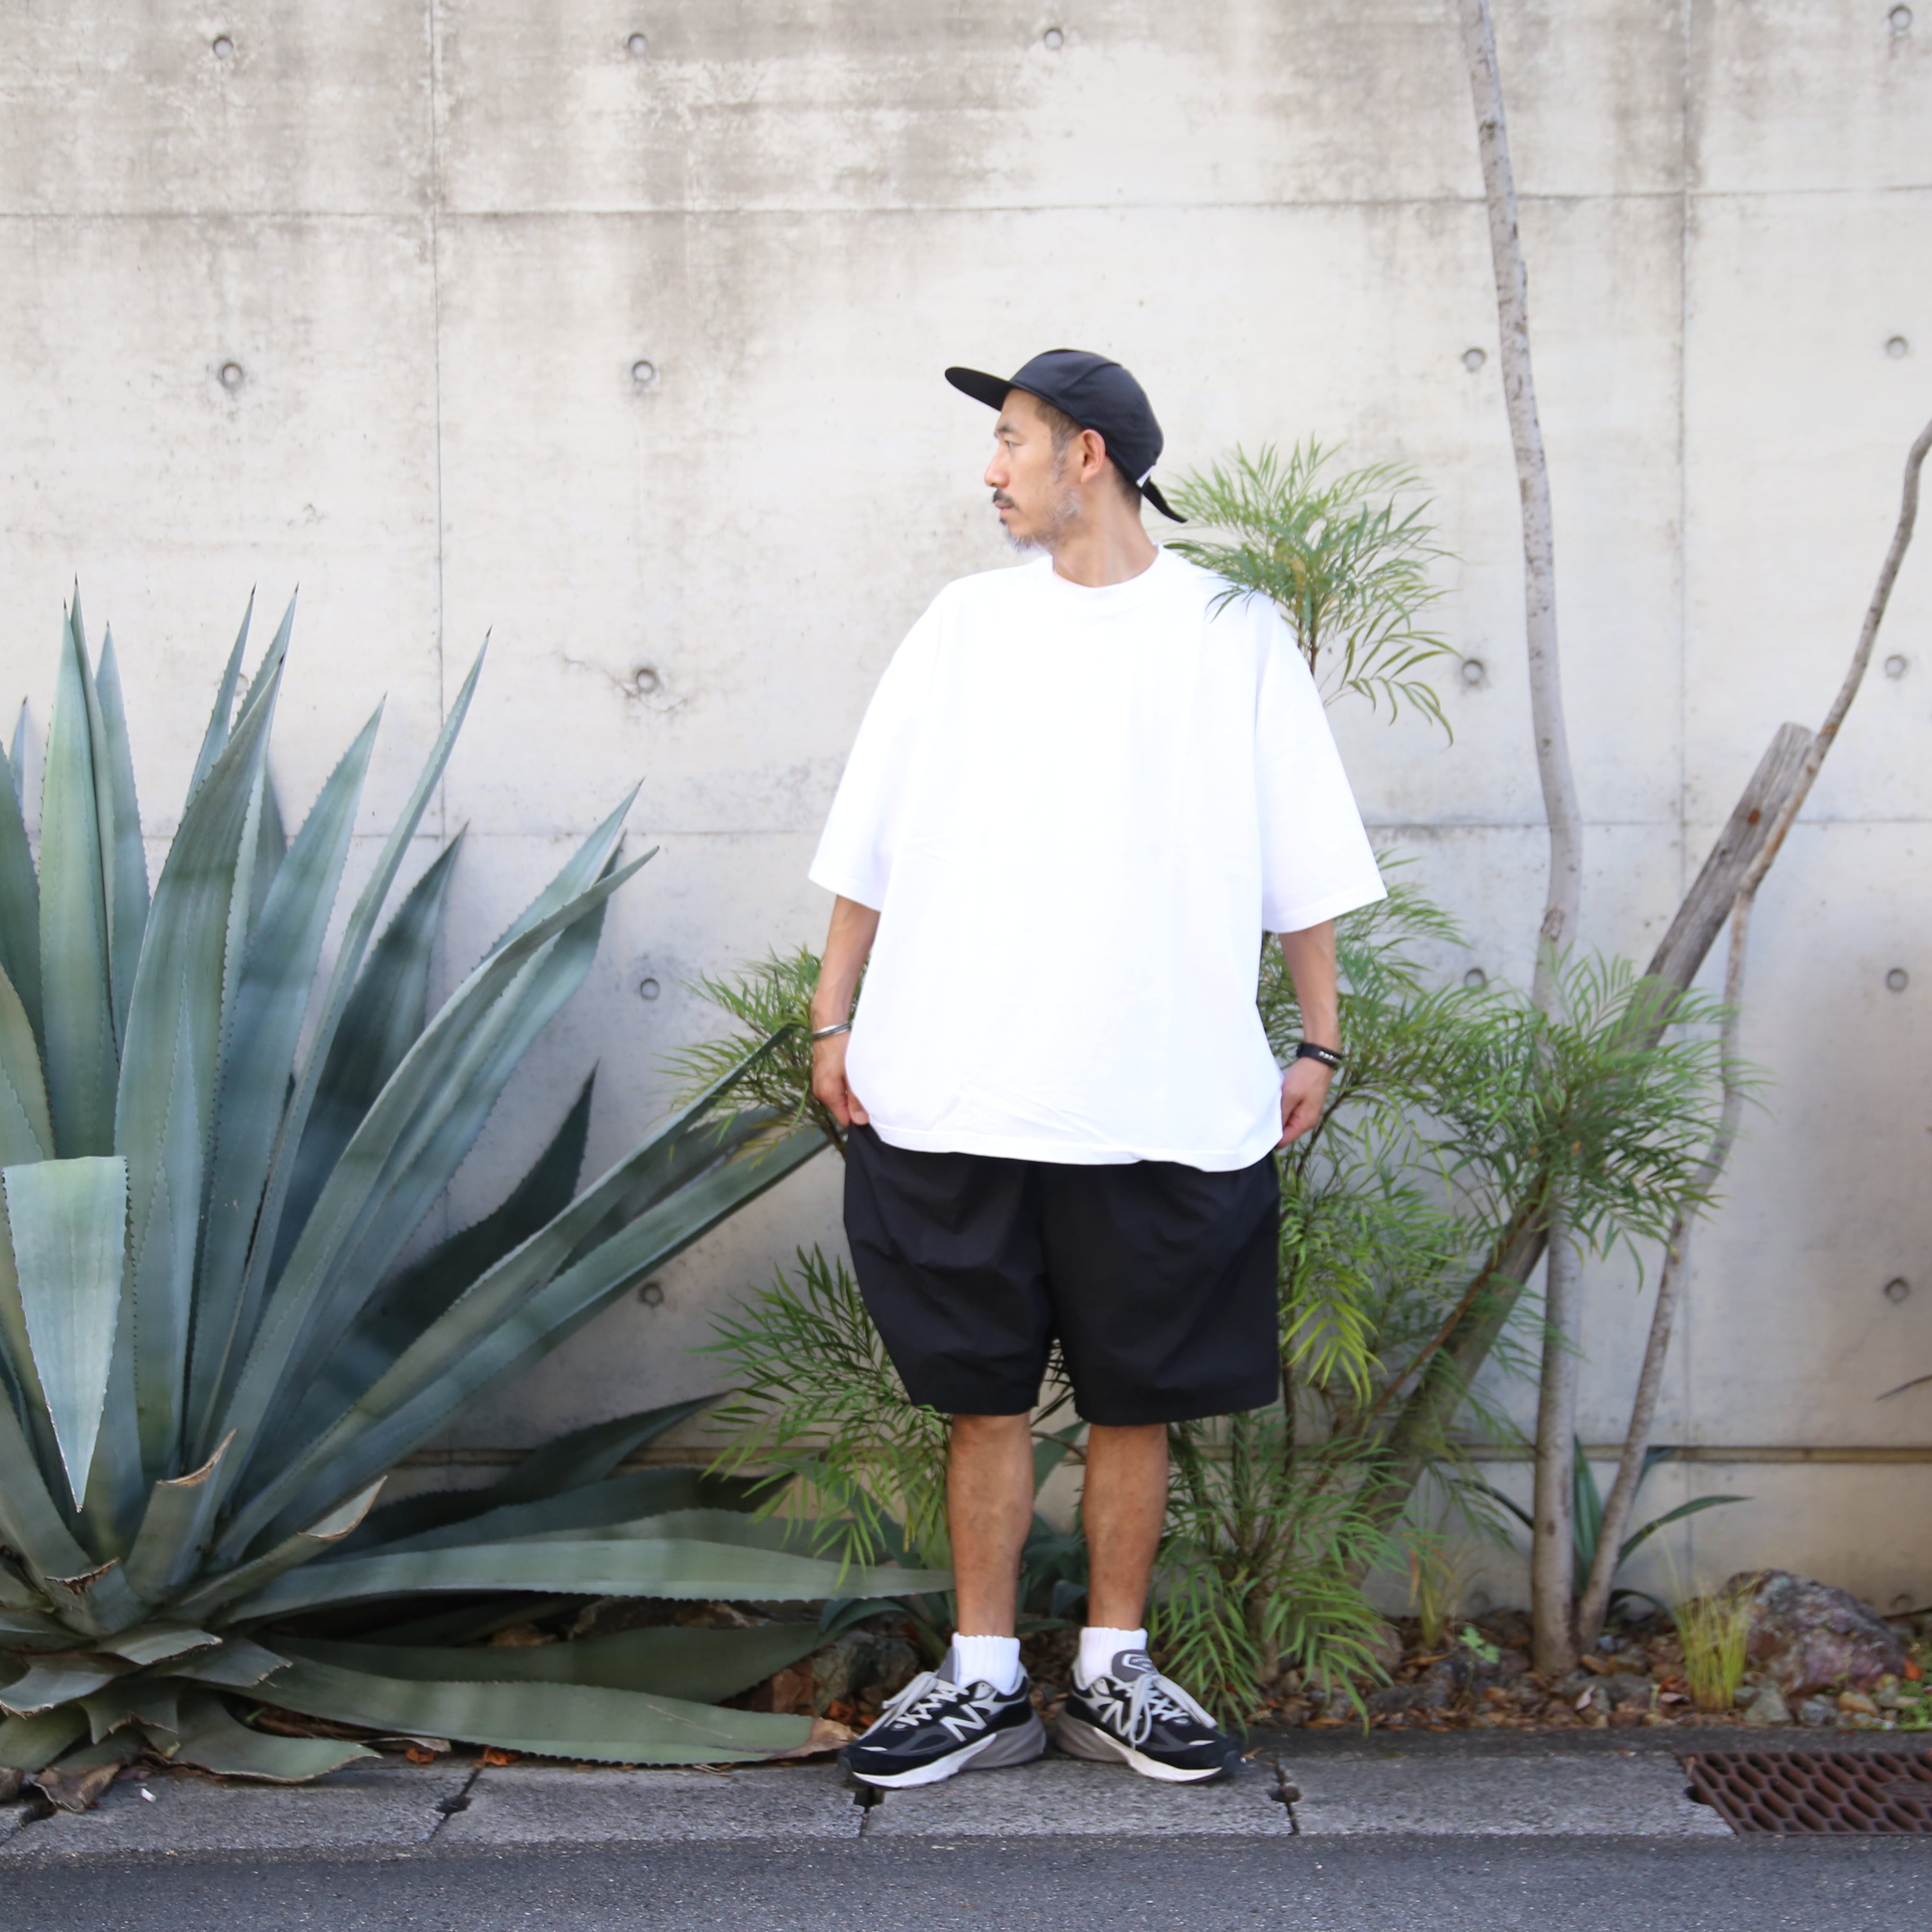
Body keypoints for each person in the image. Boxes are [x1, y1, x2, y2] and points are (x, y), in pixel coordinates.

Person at [806, 349, 1384, 1788]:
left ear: (1090, 455)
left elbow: (1300, 848)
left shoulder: (1230, 630)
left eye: (1012, 440)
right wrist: (830, 1017)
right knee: (982, 1395)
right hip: (962, 1079)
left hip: (1161, 1089)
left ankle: (1115, 1670)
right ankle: (985, 1679)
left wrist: (1318, 1033)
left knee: (1140, 1396)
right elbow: (871, 836)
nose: (990, 468)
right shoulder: (963, 625)